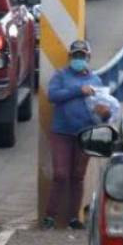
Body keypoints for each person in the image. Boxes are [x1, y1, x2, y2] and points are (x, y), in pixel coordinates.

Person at [43, 38, 103, 230]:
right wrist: (79, 90)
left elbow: (102, 104)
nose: (79, 58)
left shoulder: (96, 80)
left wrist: (104, 112)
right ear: (70, 57)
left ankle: (73, 218)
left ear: (88, 57)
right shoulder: (61, 75)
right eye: (75, 55)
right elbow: (53, 96)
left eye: (82, 55)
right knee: (60, 174)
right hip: (62, 133)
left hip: (84, 134)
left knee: (78, 176)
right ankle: (50, 216)